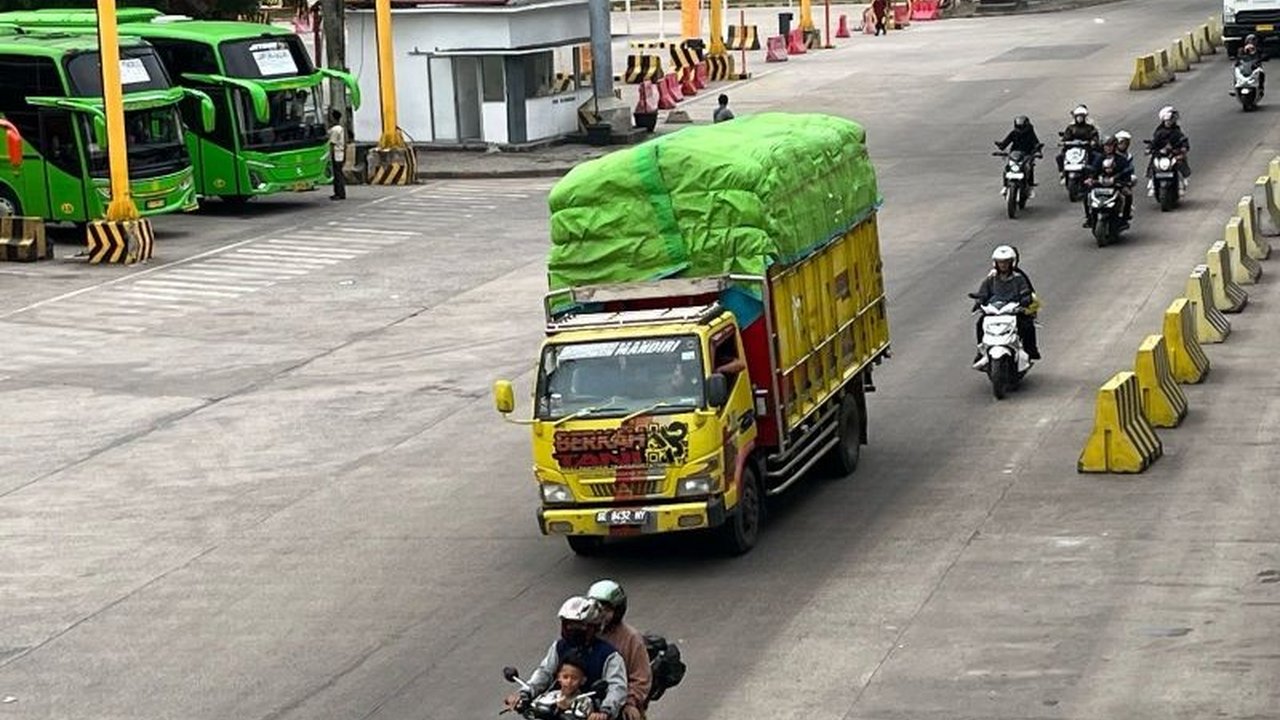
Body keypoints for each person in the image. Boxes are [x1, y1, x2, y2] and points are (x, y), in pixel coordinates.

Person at [506, 597, 627, 720]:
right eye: (569, 624)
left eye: (579, 625)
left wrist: (605, 711)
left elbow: (616, 687)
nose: (573, 629)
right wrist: (525, 693)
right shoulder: (559, 647)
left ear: (593, 627)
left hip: (591, 712)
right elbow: (545, 672)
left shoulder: (609, 655)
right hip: (556, 708)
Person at [587, 580, 652, 720]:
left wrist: (631, 703)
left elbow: (641, 678)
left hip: (620, 703)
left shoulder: (631, 638)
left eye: (606, 608)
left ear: (617, 610)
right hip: (586, 702)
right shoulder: (585, 632)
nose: (601, 613)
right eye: (597, 607)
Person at [972, 245, 1035, 366]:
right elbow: (983, 293)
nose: (1003, 265)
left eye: (1006, 262)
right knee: (980, 324)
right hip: (995, 311)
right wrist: (979, 302)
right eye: (1000, 262)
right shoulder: (991, 278)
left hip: (1013, 311)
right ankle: (981, 352)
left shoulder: (1019, 278)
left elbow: (1026, 293)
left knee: (1027, 325)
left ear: (1012, 262)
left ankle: (1030, 350)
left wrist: (1025, 302)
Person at [1084, 135, 1134, 227]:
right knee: (1087, 195)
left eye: (1110, 146)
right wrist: (1090, 178)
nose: (1108, 148)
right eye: (1106, 146)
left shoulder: (1121, 159)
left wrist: (1121, 178)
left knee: (1128, 195)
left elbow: (1127, 170)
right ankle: (1090, 218)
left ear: (1115, 146)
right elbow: (1093, 169)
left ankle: (1124, 219)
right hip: (1101, 183)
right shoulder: (1099, 158)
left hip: (1116, 184)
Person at [528, 653, 598, 720]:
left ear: (583, 680)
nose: (569, 681)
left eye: (574, 678)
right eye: (565, 677)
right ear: (558, 677)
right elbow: (535, 707)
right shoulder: (551, 696)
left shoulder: (585, 702)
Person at [1147, 105, 1190, 195]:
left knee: (1181, 161)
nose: (1173, 120)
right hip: (1161, 154)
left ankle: (1182, 181)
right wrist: (1149, 149)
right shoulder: (1159, 132)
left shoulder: (1177, 131)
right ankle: (1152, 183)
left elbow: (1183, 140)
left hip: (1174, 153)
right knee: (1152, 163)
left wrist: (1184, 147)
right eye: (1171, 118)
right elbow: (1154, 142)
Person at [994, 115, 1044, 191]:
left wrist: (1038, 151)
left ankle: (1030, 186)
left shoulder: (1030, 134)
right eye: (1019, 127)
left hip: (1027, 154)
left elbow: (1036, 143)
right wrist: (1000, 146)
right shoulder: (1013, 133)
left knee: (1029, 167)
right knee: (1007, 168)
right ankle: (1005, 186)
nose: (1020, 129)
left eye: (1022, 127)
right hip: (1014, 154)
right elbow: (1005, 143)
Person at [1056, 105, 1099, 180]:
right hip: (1071, 149)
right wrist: (1063, 142)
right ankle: (1062, 173)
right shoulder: (1070, 127)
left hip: (1085, 148)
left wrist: (1093, 141)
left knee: (1098, 157)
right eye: (1078, 116)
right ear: (1075, 117)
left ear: (1085, 117)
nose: (1080, 118)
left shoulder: (1090, 127)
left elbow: (1094, 136)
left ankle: (1092, 175)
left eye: (1081, 116)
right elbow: (1066, 137)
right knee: (1059, 157)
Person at [327, 108, 347, 201]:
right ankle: (339, 193)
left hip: (337, 154)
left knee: (337, 175)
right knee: (339, 174)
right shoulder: (340, 128)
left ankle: (339, 193)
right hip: (341, 153)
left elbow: (332, 143)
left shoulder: (335, 130)